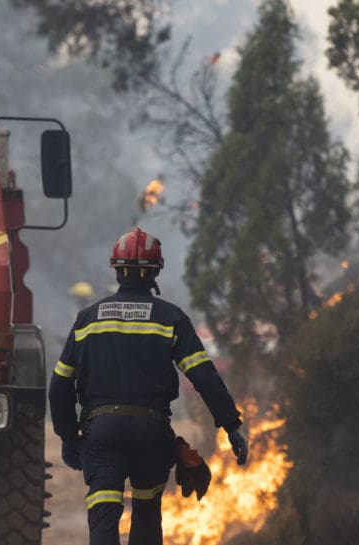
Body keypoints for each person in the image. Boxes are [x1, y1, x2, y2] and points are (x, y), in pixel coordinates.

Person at [49, 227, 248, 545]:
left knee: (103, 513)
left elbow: (59, 385)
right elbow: (203, 377)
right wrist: (231, 424)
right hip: (151, 433)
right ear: (155, 271)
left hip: (103, 433)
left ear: (116, 269)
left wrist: (68, 437)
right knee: (146, 510)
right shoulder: (171, 318)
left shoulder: (88, 319)